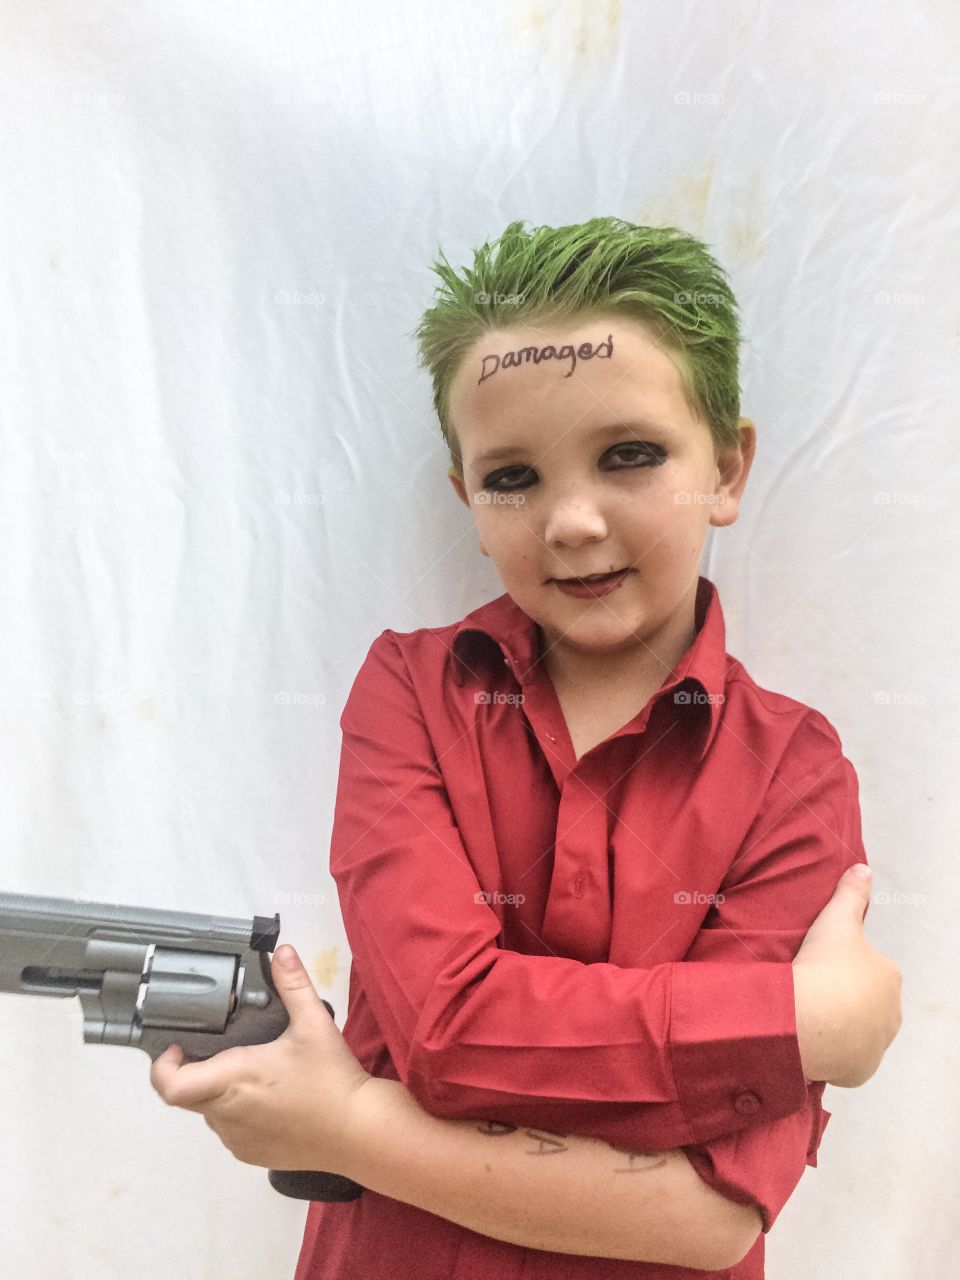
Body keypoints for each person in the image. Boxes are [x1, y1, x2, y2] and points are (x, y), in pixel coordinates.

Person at [151, 217, 903, 1278]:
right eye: (513, 477)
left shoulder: (795, 767)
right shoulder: (409, 689)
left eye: (631, 454)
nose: (573, 521)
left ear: (729, 466)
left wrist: (350, 1125)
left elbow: (708, 1217)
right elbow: (448, 1030)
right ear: (466, 496)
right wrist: (792, 1021)